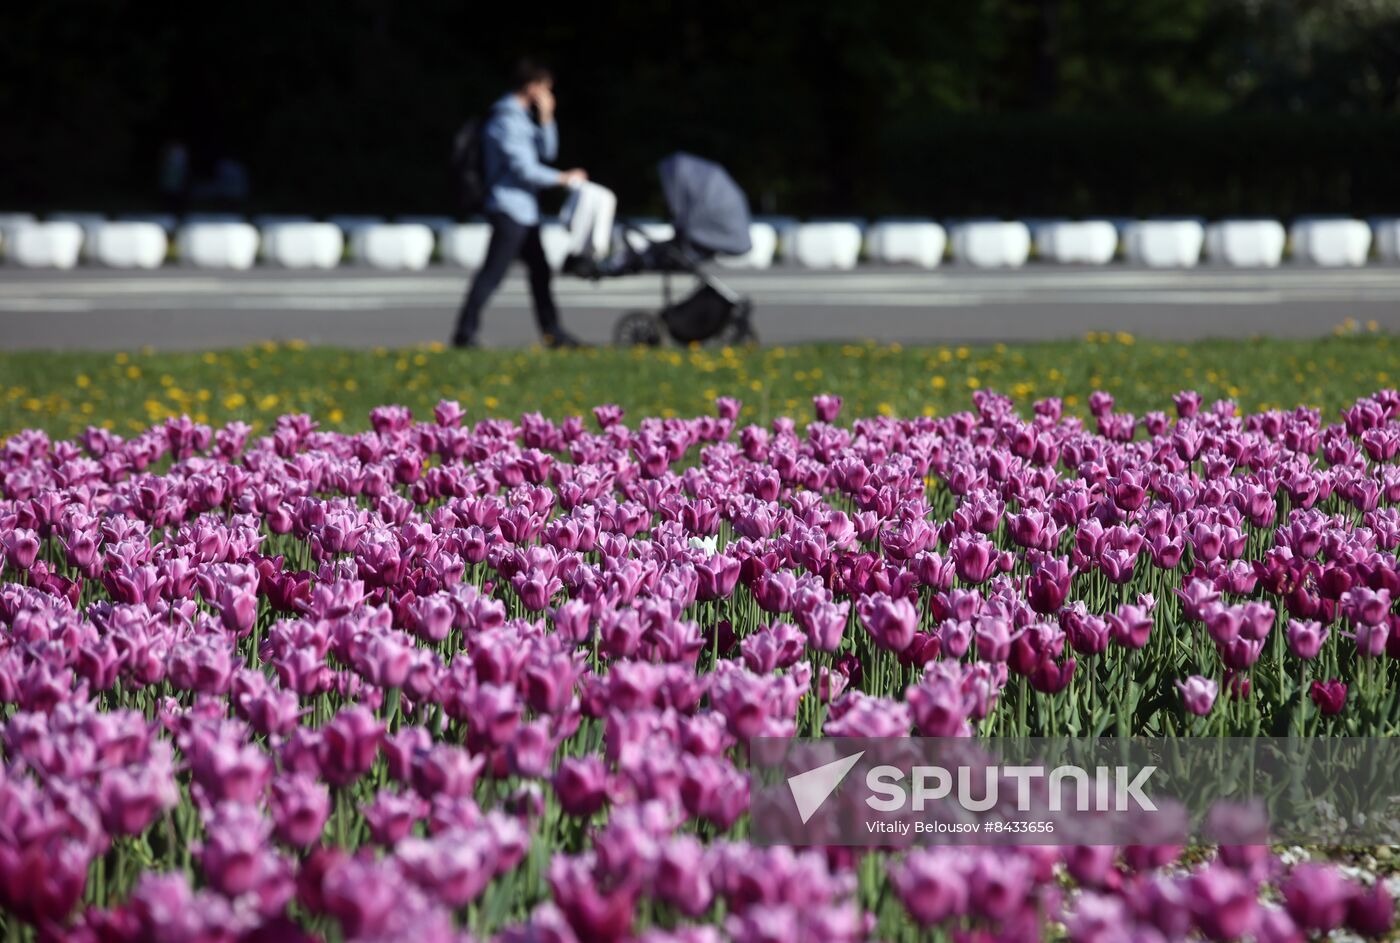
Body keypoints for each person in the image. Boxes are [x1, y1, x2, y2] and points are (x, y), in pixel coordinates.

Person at [452, 60, 588, 349]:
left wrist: (547, 118)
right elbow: (524, 169)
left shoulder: (524, 118)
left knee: (540, 273)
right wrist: (563, 178)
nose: (548, 95)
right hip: (508, 208)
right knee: (493, 274)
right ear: (532, 87)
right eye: (546, 89)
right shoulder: (505, 120)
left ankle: (553, 332)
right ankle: (464, 333)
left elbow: (547, 153)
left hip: (525, 211)